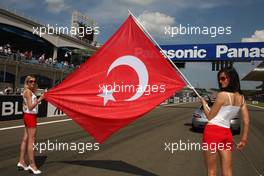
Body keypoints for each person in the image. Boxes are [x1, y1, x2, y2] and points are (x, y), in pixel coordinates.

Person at [200, 67, 249, 176]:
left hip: (212, 132)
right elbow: (246, 121)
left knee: (211, 171)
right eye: (219, 79)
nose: (220, 81)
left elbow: (210, 117)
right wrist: (244, 139)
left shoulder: (222, 95)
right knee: (228, 171)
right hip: (227, 133)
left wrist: (204, 104)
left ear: (231, 79)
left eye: (223, 78)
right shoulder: (242, 98)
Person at [17, 75, 44, 174]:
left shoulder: (29, 91)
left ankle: (21, 161)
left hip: (27, 116)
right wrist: (40, 99)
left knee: (25, 139)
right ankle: (32, 165)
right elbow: (30, 107)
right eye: (30, 81)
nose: (33, 83)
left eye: (34, 81)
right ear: (27, 82)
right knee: (31, 141)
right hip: (30, 117)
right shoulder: (28, 92)